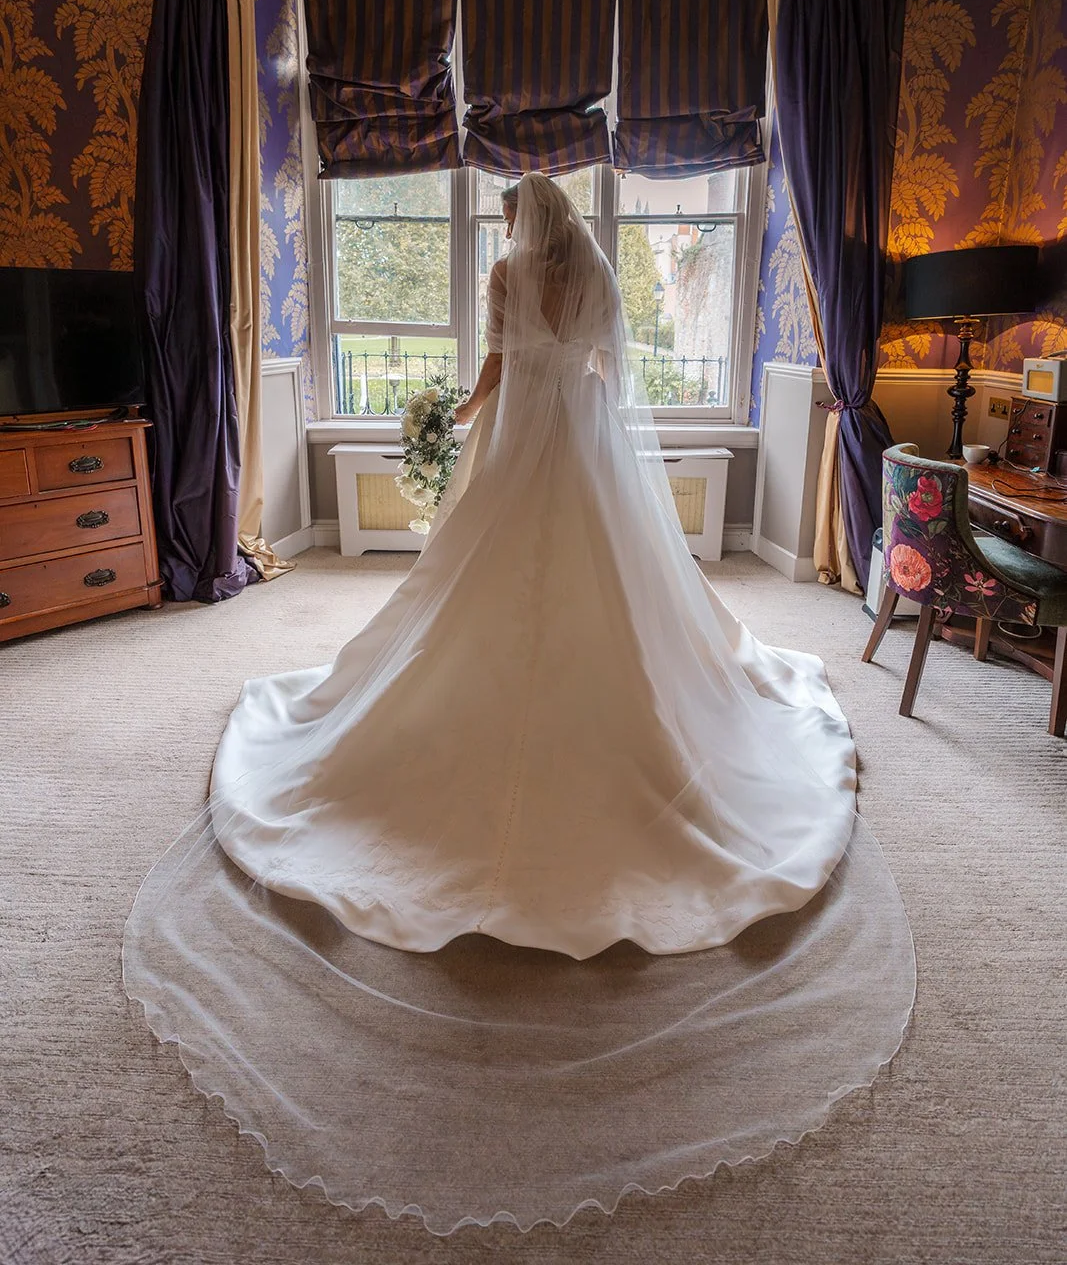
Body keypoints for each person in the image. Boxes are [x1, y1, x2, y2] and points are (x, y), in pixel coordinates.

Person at [124, 172, 914, 1231]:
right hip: (583, 444)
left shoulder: (501, 272)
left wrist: (449, 414)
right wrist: (570, 404)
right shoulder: (587, 266)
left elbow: (496, 367)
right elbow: (603, 364)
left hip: (519, 445)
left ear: (513, 220)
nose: (503, 229)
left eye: (504, 214)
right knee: (612, 588)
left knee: (469, 587)